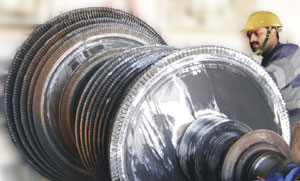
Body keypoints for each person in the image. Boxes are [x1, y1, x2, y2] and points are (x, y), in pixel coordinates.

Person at [242, 11, 300, 161]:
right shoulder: (267, 62)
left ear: (273, 32)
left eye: (256, 33)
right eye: (249, 35)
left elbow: (269, 80)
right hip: (282, 128)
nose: (252, 39)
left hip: (296, 126)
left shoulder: (290, 52)